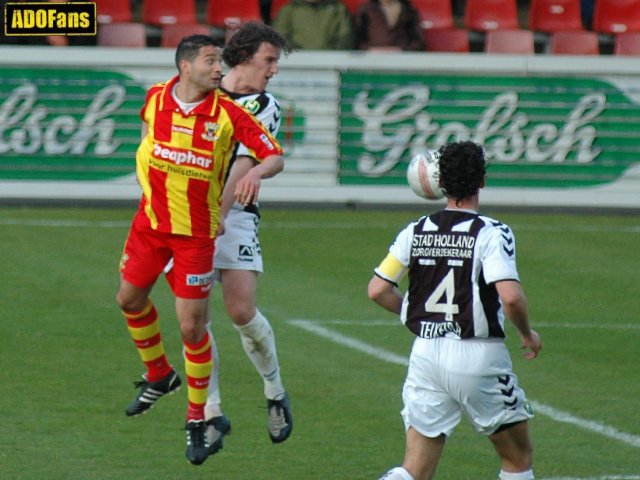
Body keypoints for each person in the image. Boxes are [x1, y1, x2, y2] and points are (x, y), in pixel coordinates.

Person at [115, 34, 284, 467]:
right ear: (185, 67)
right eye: (211, 61)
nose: (219, 68)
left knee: (205, 323)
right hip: (151, 227)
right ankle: (160, 375)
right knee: (129, 299)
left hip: (201, 231)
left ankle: (205, 416)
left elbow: (270, 156)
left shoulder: (233, 112)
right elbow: (147, 138)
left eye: (221, 61)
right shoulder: (156, 98)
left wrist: (257, 175)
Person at [367, 141, 542, 480]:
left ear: (441, 183)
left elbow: (377, 290)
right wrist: (526, 334)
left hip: (426, 355)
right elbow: (511, 297)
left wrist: (414, 313)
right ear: (483, 182)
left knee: (415, 469)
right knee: (518, 459)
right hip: (478, 356)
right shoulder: (492, 232)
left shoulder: (416, 230)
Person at [200, 21, 294, 454]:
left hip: (233, 216)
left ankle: (275, 392)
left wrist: (219, 211)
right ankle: (209, 412)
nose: (273, 69)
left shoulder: (263, 103)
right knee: (194, 320)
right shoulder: (202, 91)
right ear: (244, 56)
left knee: (241, 311)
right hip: (188, 217)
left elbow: (245, 160)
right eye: (269, 60)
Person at [272, 0, 355, 50]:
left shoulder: (338, 9)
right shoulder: (289, 10)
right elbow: (280, 37)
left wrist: (331, 55)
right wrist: (298, 54)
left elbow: (346, 38)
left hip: (331, 65)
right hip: (298, 64)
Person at [354, 0, 425, 51]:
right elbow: (356, 40)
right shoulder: (365, 10)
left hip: (402, 63)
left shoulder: (409, 9)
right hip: (371, 64)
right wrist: (371, 50)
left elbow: (419, 41)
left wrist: (401, 50)